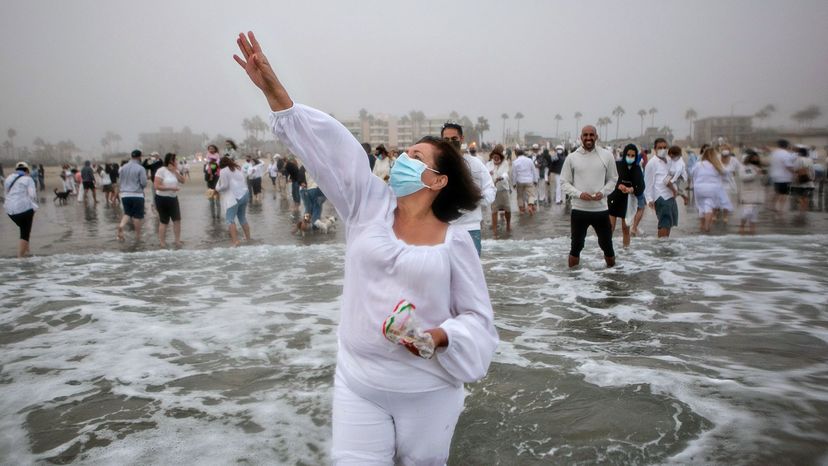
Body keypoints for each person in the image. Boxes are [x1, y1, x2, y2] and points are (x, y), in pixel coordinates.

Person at [234, 31, 497, 464]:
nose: (402, 158)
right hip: (359, 383)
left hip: (427, 392)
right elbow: (330, 154)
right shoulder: (366, 205)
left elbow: (478, 320)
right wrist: (278, 95)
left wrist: (438, 336)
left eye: (415, 156)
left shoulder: (454, 242)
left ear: (437, 180)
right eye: (404, 152)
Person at [560, 125, 618, 267]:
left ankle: (614, 279)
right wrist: (579, 194)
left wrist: (603, 192)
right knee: (576, 247)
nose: (588, 138)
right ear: (581, 137)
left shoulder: (606, 155)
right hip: (579, 210)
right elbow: (564, 182)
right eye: (585, 135)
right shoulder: (572, 157)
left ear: (596, 137)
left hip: (601, 210)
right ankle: (572, 282)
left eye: (591, 135)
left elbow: (613, 179)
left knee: (607, 246)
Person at [442, 122, 495, 256]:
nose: (450, 142)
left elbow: (490, 189)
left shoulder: (475, 163)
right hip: (443, 228)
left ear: (461, 139)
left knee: (472, 274)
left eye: (454, 139)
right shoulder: (435, 165)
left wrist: (475, 200)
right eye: (446, 139)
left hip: (470, 228)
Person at [607, 144, 644, 248]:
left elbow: (641, 186)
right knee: (610, 228)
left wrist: (631, 189)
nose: (630, 157)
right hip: (614, 198)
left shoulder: (637, 169)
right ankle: (606, 251)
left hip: (628, 201)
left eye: (633, 155)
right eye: (628, 155)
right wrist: (619, 185)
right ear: (624, 154)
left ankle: (626, 251)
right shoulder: (617, 165)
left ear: (636, 156)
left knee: (625, 228)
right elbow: (609, 178)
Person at [644, 138, 679, 238]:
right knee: (664, 223)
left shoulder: (669, 161)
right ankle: (661, 247)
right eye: (660, 148)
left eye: (664, 147)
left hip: (671, 196)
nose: (663, 149)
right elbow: (648, 183)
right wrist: (649, 199)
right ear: (655, 149)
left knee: (669, 223)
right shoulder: (652, 163)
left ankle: (665, 246)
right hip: (661, 196)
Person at [4, 162, 39, 257]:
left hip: (10, 210)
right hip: (23, 209)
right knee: (25, 233)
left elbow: (7, 193)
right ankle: (20, 258)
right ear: (27, 170)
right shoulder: (28, 179)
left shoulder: (8, 178)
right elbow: (32, 195)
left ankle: (27, 250)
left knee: (23, 228)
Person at [215, 155, 251, 246]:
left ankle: (235, 241)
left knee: (230, 219)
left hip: (234, 197)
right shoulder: (237, 168)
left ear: (221, 164)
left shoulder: (223, 171)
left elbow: (225, 186)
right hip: (245, 194)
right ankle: (248, 238)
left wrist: (217, 189)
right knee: (242, 217)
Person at [154, 153, 186, 247]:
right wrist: (171, 188)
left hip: (173, 198)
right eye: (174, 160)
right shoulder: (161, 170)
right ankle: (162, 243)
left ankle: (177, 241)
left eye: (176, 160)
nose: (176, 161)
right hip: (162, 198)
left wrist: (175, 171)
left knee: (177, 220)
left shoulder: (175, 170)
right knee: (164, 221)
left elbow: (183, 181)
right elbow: (157, 186)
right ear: (170, 160)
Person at [690, 147, 725, 233]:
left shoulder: (699, 164)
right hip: (712, 188)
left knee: (701, 207)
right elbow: (721, 178)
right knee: (709, 207)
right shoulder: (717, 165)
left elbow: (692, 173)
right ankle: (707, 226)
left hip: (699, 188)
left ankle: (701, 225)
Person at [117, 150, 149, 241]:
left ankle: (121, 225)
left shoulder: (123, 168)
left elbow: (120, 181)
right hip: (137, 194)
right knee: (137, 217)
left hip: (124, 194)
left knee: (127, 213)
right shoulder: (140, 168)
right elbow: (143, 183)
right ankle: (138, 236)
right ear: (139, 157)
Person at [487, 145, 511, 238]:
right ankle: (494, 231)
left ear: (501, 156)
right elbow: (486, 175)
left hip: (504, 189)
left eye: (497, 156)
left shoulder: (505, 163)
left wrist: (501, 177)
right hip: (493, 191)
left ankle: (508, 225)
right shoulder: (488, 165)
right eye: (494, 156)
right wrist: (489, 175)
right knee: (494, 211)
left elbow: (506, 174)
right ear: (492, 156)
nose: (495, 158)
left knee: (507, 209)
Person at [738, 150, 764, 235]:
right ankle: (741, 228)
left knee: (754, 216)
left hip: (757, 195)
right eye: (754, 157)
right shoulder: (745, 167)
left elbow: (763, 181)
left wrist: (763, 175)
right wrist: (755, 174)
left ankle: (752, 232)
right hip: (748, 194)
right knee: (746, 213)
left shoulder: (758, 167)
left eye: (757, 157)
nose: (756, 159)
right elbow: (744, 178)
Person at [769, 139, 795, 217]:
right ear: (787, 145)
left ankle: (773, 206)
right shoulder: (786, 154)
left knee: (777, 192)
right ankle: (780, 209)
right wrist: (794, 173)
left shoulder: (774, 153)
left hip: (775, 176)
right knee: (784, 194)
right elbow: (788, 166)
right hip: (784, 177)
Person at [511, 148, 538, 215]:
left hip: (520, 181)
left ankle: (522, 210)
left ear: (516, 154)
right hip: (529, 180)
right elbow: (534, 171)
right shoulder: (529, 160)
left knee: (520, 196)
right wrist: (535, 180)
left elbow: (514, 174)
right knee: (531, 195)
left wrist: (514, 183)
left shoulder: (515, 162)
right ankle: (530, 206)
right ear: (523, 153)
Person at [791, 145, 816, 217]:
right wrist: (813, 178)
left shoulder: (798, 159)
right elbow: (812, 170)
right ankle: (804, 211)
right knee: (805, 197)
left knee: (800, 197)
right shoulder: (810, 159)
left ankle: (801, 212)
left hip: (800, 182)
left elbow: (795, 170)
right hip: (809, 181)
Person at [204, 145, 222, 218]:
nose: (211, 150)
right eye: (209, 149)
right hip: (209, 185)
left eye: (212, 148)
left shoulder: (217, 159)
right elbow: (206, 177)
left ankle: (218, 216)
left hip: (216, 184)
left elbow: (217, 164)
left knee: (217, 202)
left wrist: (214, 166)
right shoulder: (207, 165)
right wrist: (209, 174)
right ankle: (213, 216)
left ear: (215, 149)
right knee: (211, 202)